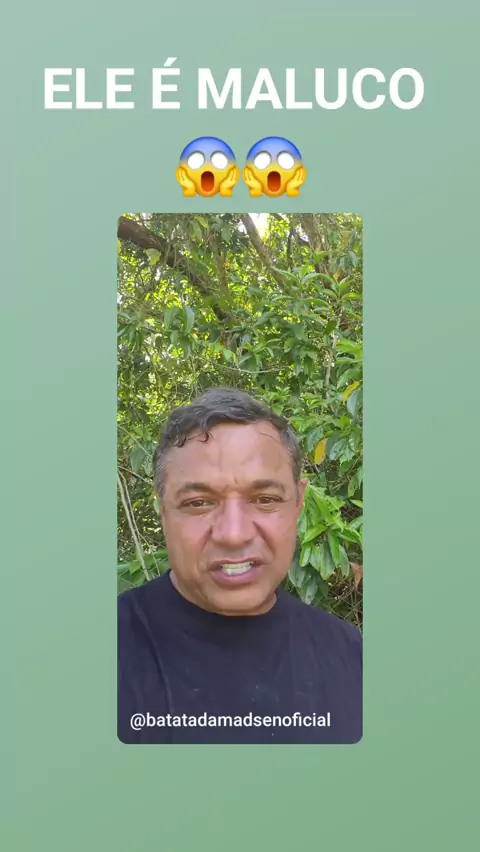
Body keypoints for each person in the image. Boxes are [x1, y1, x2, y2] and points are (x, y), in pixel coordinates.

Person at [118, 388, 362, 744]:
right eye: (198, 503)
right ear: (163, 510)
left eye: (265, 499)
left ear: (297, 505)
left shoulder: (354, 658)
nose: (233, 534)